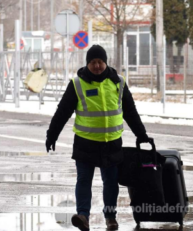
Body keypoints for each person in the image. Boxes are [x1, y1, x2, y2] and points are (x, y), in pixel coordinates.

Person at [45, 45, 149, 231]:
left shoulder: (118, 82)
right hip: (86, 143)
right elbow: (62, 112)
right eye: (93, 62)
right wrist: (52, 135)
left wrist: (141, 134)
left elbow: (130, 112)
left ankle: (110, 217)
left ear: (105, 62)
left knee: (111, 182)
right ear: (87, 64)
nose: (97, 66)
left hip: (112, 143)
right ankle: (83, 216)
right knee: (84, 180)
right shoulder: (77, 84)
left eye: (100, 62)